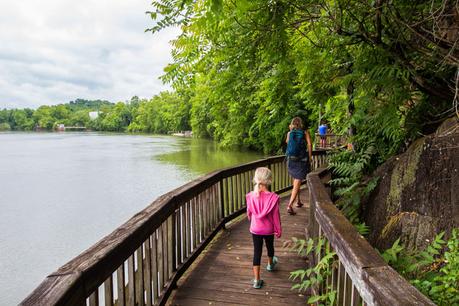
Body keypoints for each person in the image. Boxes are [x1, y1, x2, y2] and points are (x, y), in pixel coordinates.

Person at [246, 167, 282, 289]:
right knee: (270, 246)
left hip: (255, 229)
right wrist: (278, 230)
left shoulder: (250, 196)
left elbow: (249, 213)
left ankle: (256, 280)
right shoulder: (273, 197)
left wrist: (253, 221)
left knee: (257, 252)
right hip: (268, 229)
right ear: (269, 180)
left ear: (256, 179)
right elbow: (276, 217)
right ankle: (270, 265)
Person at [285, 117, 312, 215]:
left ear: (292, 124)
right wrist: (309, 157)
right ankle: (289, 205)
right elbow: (309, 145)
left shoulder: (289, 133)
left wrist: (290, 131)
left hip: (291, 160)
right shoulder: (305, 132)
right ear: (301, 123)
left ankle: (298, 201)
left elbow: (287, 142)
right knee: (297, 181)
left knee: (296, 181)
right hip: (301, 160)